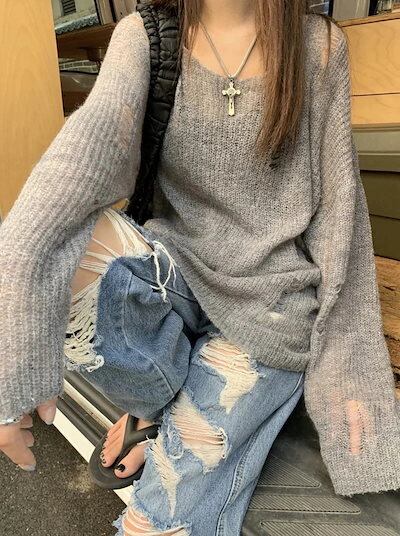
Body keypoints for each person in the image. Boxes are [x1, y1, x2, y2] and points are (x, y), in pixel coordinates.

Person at [1, 0, 399, 534]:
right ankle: (156, 400)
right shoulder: (146, 37)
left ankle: (164, 413)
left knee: (162, 516)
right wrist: (15, 350)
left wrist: (349, 372)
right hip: (176, 274)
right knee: (68, 237)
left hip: (269, 308)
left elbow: (339, 218)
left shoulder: (318, 47)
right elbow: (73, 170)